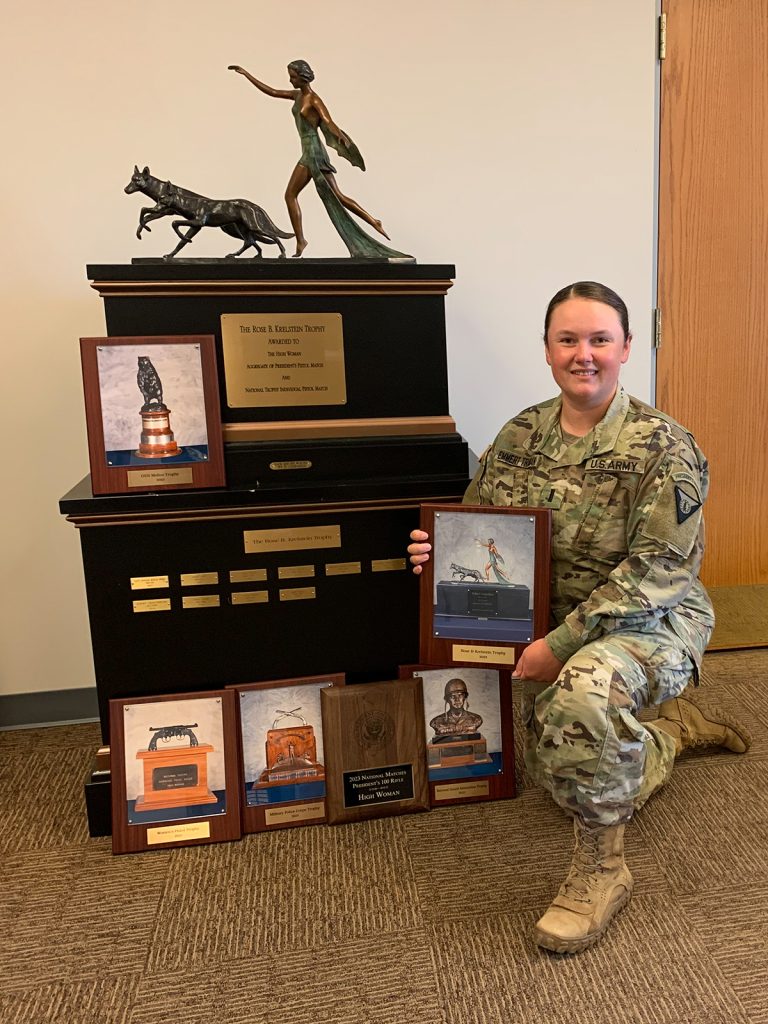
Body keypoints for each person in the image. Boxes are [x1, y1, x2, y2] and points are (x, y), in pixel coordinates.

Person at [408, 281, 751, 954]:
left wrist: (561, 645)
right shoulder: (519, 435)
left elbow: (658, 572)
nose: (584, 354)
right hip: (548, 621)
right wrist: (438, 551)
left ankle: (601, 872)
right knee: (556, 766)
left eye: (600, 339)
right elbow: (484, 531)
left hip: (651, 623)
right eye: (568, 339)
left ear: (626, 347)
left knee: (583, 700)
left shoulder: (663, 446)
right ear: (547, 350)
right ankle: (667, 738)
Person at [228, 60, 409, 260]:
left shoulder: (314, 99)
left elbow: (328, 121)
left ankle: (367, 223)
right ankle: (368, 222)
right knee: (312, 195)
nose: (290, 80)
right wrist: (246, 74)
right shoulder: (296, 95)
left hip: (314, 153)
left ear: (303, 77)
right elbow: (271, 91)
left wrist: (339, 135)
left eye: (293, 76)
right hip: (307, 151)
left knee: (302, 195)